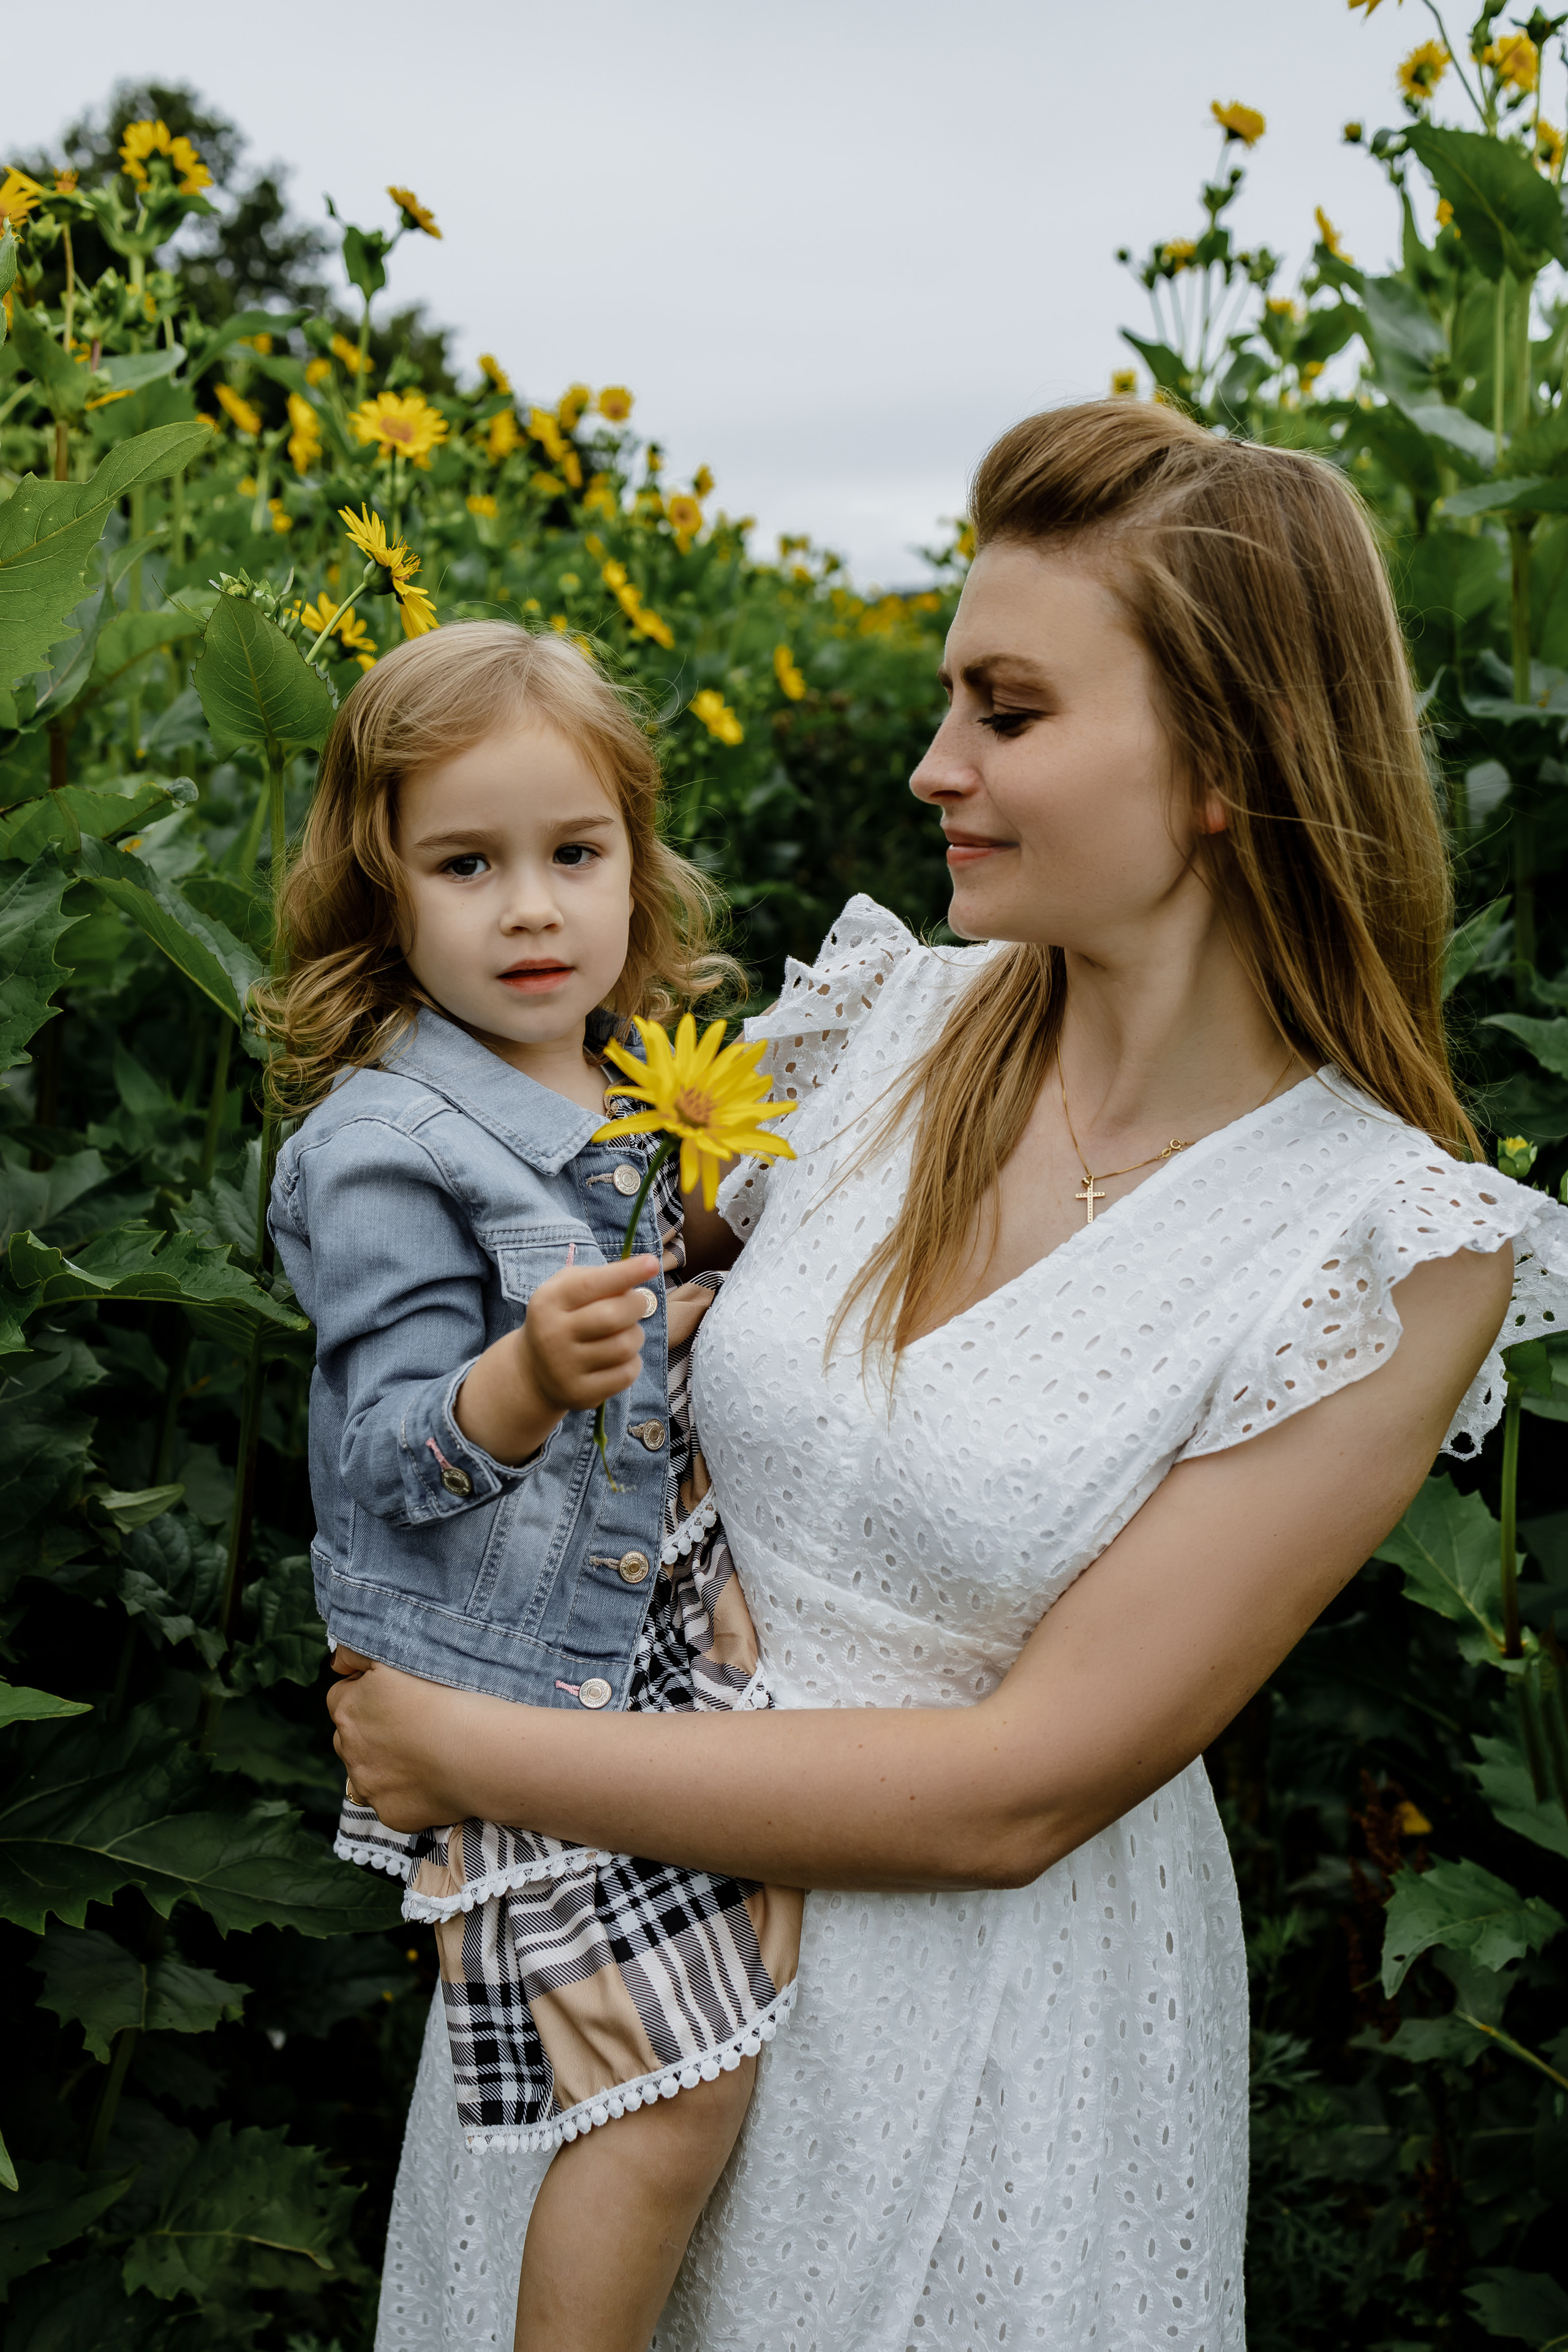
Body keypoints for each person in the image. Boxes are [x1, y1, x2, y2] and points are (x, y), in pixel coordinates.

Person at [330, 402, 1568, 2352]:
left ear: (1227, 760)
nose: (935, 766)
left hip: (980, 2042)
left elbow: (1019, 1792)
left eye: (1008, 711)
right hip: (627, 1994)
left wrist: (464, 1756)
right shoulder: (883, 1035)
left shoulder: (1384, 1246)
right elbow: (563, 1308)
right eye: (948, 702)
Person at [261, 624, 802, 2352]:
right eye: (466, 866)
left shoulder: (646, 1087)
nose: (531, 910)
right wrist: (517, 1386)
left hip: (656, 1651)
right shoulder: (382, 1148)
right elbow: (375, 1459)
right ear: (383, 891)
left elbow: (670, 1267)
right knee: (661, 2099)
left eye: (575, 854)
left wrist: (713, 1261)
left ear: (638, 859)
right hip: (518, 1681)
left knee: (740, 2035)